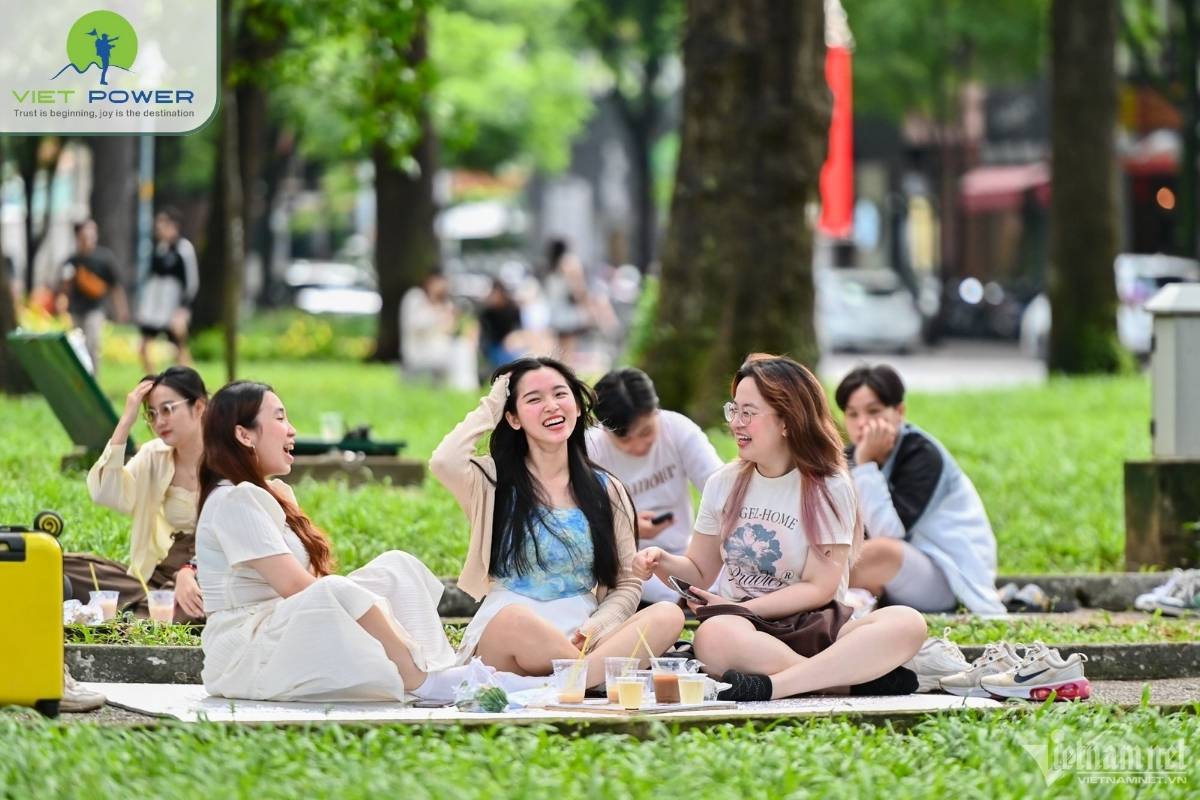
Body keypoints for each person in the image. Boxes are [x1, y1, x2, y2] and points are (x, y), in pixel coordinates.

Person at [195, 381, 539, 702]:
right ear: (244, 434)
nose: (292, 429)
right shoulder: (233, 500)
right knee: (334, 590)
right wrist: (369, 607)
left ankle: (440, 670)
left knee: (395, 567)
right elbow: (297, 587)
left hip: (282, 628)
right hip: (245, 653)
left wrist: (373, 604)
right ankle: (422, 681)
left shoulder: (272, 493)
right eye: (280, 418)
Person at [634, 354, 927, 701]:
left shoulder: (829, 486)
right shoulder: (722, 483)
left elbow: (819, 588)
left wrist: (741, 607)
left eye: (749, 413)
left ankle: (776, 686)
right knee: (712, 637)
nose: (736, 424)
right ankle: (842, 679)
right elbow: (698, 571)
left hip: (814, 626)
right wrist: (660, 561)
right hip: (746, 631)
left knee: (908, 622)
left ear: (787, 420)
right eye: (734, 410)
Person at [430, 357, 685, 687]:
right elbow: (443, 461)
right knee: (516, 621)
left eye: (560, 394)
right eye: (534, 399)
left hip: (582, 632)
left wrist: (600, 626)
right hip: (510, 632)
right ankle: (586, 680)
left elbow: (627, 582)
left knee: (668, 614)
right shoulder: (491, 481)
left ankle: (563, 682)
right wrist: (494, 403)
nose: (551, 406)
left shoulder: (606, 490)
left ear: (577, 408)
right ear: (513, 418)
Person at [835, 365, 1005, 615]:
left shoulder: (921, 454)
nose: (863, 424)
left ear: (899, 412)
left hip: (951, 577)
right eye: (852, 414)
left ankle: (800, 599)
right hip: (899, 575)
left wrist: (866, 464)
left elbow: (888, 534)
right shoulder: (850, 457)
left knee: (878, 553)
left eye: (873, 411)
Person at [63, 367, 208, 623]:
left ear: (199, 407)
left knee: (191, 603)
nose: (159, 421)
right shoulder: (155, 455)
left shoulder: (230, 457)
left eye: (167, 409)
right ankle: (140, 610)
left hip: (205, 574)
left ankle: (127, 613)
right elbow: (105, 492)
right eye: (151, 414)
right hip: (154, 577)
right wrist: (126, 421)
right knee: (63, 566)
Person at [586, 368, 724, 604]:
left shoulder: (677, 430)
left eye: (646, 432)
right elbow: (578, 519)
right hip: (627, 562)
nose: (638, 446)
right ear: (604, 428)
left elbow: (722, 491)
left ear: (655, 411)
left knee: (728, 576)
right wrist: (627, 526)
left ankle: (690, 599)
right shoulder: (590, 449)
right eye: (624, 440)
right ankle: (686, 602)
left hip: (682, 554)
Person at [57, 219, 129, 375]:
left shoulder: (105, 258)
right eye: (85, 234)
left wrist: (121, 309)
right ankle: (80, 377)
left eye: (92, 233)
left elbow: (115, 286)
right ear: (78, 236)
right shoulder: (72, 261)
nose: (89, 238)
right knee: (78, 346)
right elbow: (64, 288)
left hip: (95, 309)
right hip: (76, 310)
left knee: (93, 343)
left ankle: (94, 378)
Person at [137, 207, 199, 373]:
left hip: (173, 307)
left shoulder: (183, 248)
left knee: (179, 348)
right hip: (154, 307)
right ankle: (152, 381)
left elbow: (191, 281)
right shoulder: (159, 248)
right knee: (144, 347)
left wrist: (183, 308)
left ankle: (190, 382)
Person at [400, 272, 476, 390]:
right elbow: (415, 325)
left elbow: (449, 330)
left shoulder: (445, 303)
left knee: (463, 346)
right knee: (459, 351)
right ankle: (464, 387)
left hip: (441, 348)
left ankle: (466, 387)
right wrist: (439, 315)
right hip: (419, 351)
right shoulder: (416, 297)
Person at [477, 279, 524, 373]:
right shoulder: (487, 312)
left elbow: (518, 329)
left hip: (510, 344)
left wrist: (512, 339)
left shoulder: (512, 309)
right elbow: (484, 334)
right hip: (493, 345)